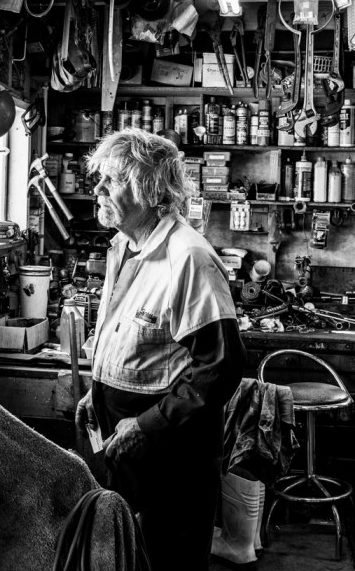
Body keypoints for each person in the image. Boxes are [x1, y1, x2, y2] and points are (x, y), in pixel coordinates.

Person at [75, 128, 245, 571]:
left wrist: (148, 425)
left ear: (149, 192)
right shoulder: (124, 248)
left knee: (168, 561)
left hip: (171, 461)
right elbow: (131, 341)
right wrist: (96, 393)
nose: (98, 188)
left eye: (112, 180)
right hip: (124, 452)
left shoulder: (188, 257)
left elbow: (220, 367)